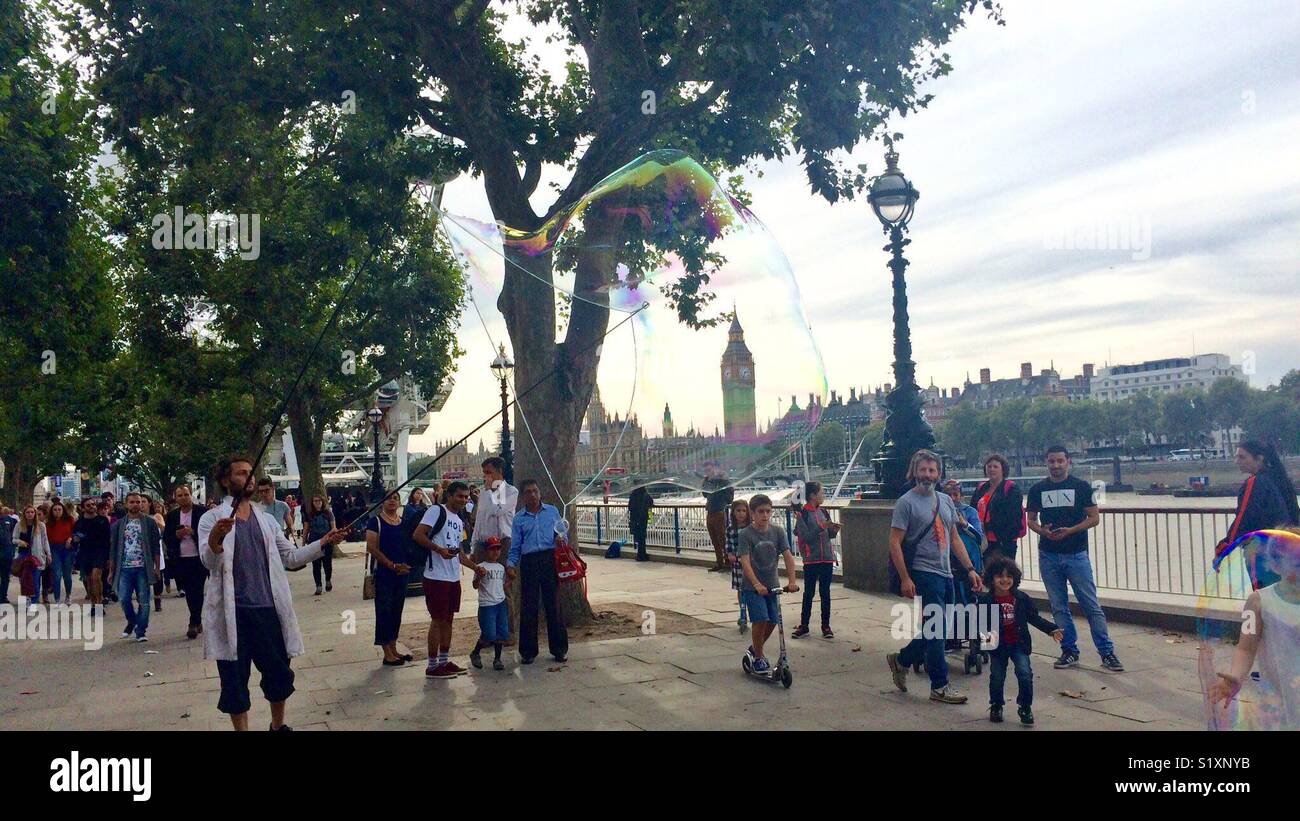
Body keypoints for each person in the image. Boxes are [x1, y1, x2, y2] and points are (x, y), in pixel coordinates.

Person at [198, 454, 349, 731]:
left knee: (279, 675)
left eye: (250, 473)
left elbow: (290, 558)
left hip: (268, 611)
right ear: (225, 480)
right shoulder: (211, 519)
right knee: (234, 681)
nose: (249, 477)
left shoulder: (266, 519)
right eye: (241, 473)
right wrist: (215, 538)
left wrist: (324, 542)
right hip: (235, 614)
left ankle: (278, 726)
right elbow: (209, 563)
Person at [885, 450, 984, 705]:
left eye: (932, 470)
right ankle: (939, 686)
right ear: (914, 472)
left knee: (937, 629)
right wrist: (906, 578)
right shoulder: (905, 503)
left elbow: (954, 538)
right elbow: (894, 543)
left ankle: (902, 659)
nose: (927, 475)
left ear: (938, 474)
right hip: (923, 571)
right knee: (937, 631)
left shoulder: (945, 500)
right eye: (923, 470)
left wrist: (970, 569)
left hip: (946, 572)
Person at [1026, 445, 1123, 672]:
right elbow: (1030, 520)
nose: (1056, 465)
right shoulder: (1037, 489)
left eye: (1060, 461)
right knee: (1059, 607)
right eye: (1052, 461)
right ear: (1046, 463)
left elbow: (1094, 518)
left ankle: (1107, 652)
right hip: (1048, 555)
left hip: (1076, 554)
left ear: (1068, 461)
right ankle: (1069, 650)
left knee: (1091, 605)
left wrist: (1071, 530)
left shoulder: (1081, 487)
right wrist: (1043, 531)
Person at [1206, 529, 1300, 730]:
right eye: (1295, 563)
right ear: (1275, 565)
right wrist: (1236, 676)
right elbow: (1245, 648)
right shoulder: (1258, 601)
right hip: (1281, 698)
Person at [977, 556, 1063, 725]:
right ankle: (996, 705)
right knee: (997, 677)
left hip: (1019, 643)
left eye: (1009, 576)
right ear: (991, 579)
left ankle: (1025, 707)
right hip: (998, 646)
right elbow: (981, 625)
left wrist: (1051, 629)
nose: (1004, 580)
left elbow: (1034, 618)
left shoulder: (1022, 599)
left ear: (1014, 579)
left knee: (1025, 674)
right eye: (999, 576)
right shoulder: (986, 601)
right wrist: (985, 645)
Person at [414, 481, 485, 678]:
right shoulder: (436, 511)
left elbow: (460, 553)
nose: (463, 500)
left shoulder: (460, 519)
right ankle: (432, 665)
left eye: (466, 497)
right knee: (437, 620)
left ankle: (444, 661)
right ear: (450, 495)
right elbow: (418, 535)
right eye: (460, 496)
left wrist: (475, 567)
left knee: (449, 620)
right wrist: (438, 550)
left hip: (453, 577)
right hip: (436, 576)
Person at [1216, 441, 1300, 590]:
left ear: (1259, 458)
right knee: (1285, 597)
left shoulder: (1255, 482)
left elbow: (1243, 518)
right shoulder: (1279, 479)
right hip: (1287, 549)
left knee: (1265, 597)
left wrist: (1224, 547)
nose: (1237, 462)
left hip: (1262, 550)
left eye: (1242, 457)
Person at [507, 479, 569, 664]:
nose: (532, 495)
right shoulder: (519, 518)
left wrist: (561, 539)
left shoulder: (552, 511)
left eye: (535, 491)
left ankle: (559, 649)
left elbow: (563, 534)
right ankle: (528, 651)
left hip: (550, 559)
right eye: (528, 492)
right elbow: (516, 546)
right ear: (523, 496)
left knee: (554, 605)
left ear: (540, 493)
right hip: (530, 562)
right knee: (529, 607)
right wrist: (510, 565)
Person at [737, 494, 799, 673]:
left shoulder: (778, 532)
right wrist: (756, 584)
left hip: (772, 585)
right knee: (761, 619)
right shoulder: (745, 534)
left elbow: (788, 556)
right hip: (752, 587)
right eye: (761, 512)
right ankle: (758, 656)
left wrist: (792, 581)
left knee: (773, 621)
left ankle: (756, 648)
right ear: (752, 513)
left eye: (768, 511)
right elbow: (745, 562)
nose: (765, 515)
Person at [107, 492, 162, 641]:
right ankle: (132, 621)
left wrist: (157, 568)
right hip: (124, 567)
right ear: (126, 504)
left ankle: (141, 631)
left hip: (143, 567)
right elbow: (114, 550)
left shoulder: (150, 523)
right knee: (123, 599)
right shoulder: (118, 525)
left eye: (138, 502)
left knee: (144, 601)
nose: (135, 505)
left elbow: (156, 546)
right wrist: (111, 571)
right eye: (132, 502)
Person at [366, 490, 412, 666]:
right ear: (383, 502)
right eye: (389, 498)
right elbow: (372, 548)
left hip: (402, 572)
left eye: (396, 498)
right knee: (384, 611)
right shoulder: (375, 521)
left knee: (396, 611)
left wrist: (405, 565)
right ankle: (386, 651)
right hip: (385, 573)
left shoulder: (403, 523)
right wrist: (391, 565)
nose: (392, 501)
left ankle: (393, 646)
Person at [792, 481, 840, 640]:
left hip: (826, 558)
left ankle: (826, 626)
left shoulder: (824, 512)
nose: (823, 495)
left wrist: (832, 531)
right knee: (809, 593)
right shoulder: (803, 514)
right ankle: (804, 625)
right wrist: (822, 527)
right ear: (813, 495)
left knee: (825, 593)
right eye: (822, 492)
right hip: (811, 559)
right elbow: (805, 536)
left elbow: (827, 536)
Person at [164, 484, 209, 639]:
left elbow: (210, 533)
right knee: (189, 591)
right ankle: (196, 618)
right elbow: (167, 538)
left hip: (199, 557)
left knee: (197, 589)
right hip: (181, 558)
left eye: (186, 494)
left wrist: (193, 532)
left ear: (191, 495)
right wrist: (177, 535)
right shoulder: (172, 515)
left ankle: (194, 622)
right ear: (176, 498)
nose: (184, 497)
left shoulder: (202, 512)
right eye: (180, 495)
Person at [970, 454, 1023, 561]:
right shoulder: (981, 488)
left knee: (1003, 572)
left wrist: (989, 526)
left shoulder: (1011, 489)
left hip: (1003, 540)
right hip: (982, 539)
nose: (991, 469)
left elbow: (1012, 516)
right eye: (989, 466)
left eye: (995, 467)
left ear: (1003, 469)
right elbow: (972, 510)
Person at [469, 537, 510, 671]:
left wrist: (511, 580)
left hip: (500, 603)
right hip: (487, 604)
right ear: (487, 551)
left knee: (501, 632)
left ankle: (497, 658)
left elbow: (503, 585)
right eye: (492, 549)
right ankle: (475, 652)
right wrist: (480, 576)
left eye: (498, 549)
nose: (495, 552)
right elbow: (475, 585)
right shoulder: (481, 567)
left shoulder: (501, 567)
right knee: (489, 634)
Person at [14, 505, 51, 614]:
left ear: (35, 513)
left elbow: (45, 540)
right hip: (23, 555)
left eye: (32, 512)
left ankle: (34, 603)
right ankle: (27, 601)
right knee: (24, 581)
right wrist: (20, 542)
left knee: (35, 581)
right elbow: (14, 539)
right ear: (24, 514)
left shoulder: (41, 525)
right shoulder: (19, 525)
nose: (30, 514)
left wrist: (48, 553)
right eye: (27, 512)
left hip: (36, 556)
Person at [725, 499, 751, 629]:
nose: (741, 514)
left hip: (751, 563)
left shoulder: (751, 528)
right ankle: (743, 614)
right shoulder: (731, 529)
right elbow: (729, 545)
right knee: (741, 589)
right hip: (738, 564)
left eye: (744, 511)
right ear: (733, 513)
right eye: (738, 511)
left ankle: (752, 612)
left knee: (751, 587)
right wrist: (730, 555)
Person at [303, 495, 336, 595]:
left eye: (319, 501)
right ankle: (318, 585)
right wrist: (304, 540)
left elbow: (333, 528)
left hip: (327, 541)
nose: (317, 503)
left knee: (327, 564)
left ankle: (328, 580)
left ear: (323, 502)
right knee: (316, 565)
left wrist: (331, 537)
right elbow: (306, 528)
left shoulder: (328, 513)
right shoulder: (310, 515)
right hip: (314, 542)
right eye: (315, 501)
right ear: (312, 503)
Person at [45, 500, 77, 604]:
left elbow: (75, 532)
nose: (57, 511)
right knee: (56, 574)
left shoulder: (69, 520)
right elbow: (46, 539)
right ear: (51, 511)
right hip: (54, 549)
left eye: (59, 509)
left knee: (67, 574)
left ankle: (68, 595)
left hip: (67, 549)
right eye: (55, 510)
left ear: (63, 510)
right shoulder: (48, 523)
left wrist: (70, 539)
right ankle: (57, 598)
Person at [703, 467, 734, 572]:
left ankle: (728, 562)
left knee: (722, 539)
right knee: (714, 540)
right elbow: (704, 494)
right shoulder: (710, 482)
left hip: (719, 512)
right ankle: (719, 562)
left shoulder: (724, 483)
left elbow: (730, 499)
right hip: (710, 513)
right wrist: (706, 480)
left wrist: (723, 482)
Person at [148, 497, 169, 611]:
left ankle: (157, 599)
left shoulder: (157, 516)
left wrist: (156, 522)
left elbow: (164, 529)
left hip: (155, 548)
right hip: (140, 551)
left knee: (157, 575)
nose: (141, 504)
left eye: (143, 502)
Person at [627, 486, 655, 562]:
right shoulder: (645, 495)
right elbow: (651, 503)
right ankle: (642, 555)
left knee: (638, 536)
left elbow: (630, 507)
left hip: (635, 518)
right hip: (643, 518)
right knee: (642, 536)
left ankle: (640, 555)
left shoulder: (633, 495)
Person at [0, 504, 17, 605]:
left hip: (6, 553)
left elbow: (14, 533)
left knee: (5, 576)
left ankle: (3, 596)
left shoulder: (9, 520)